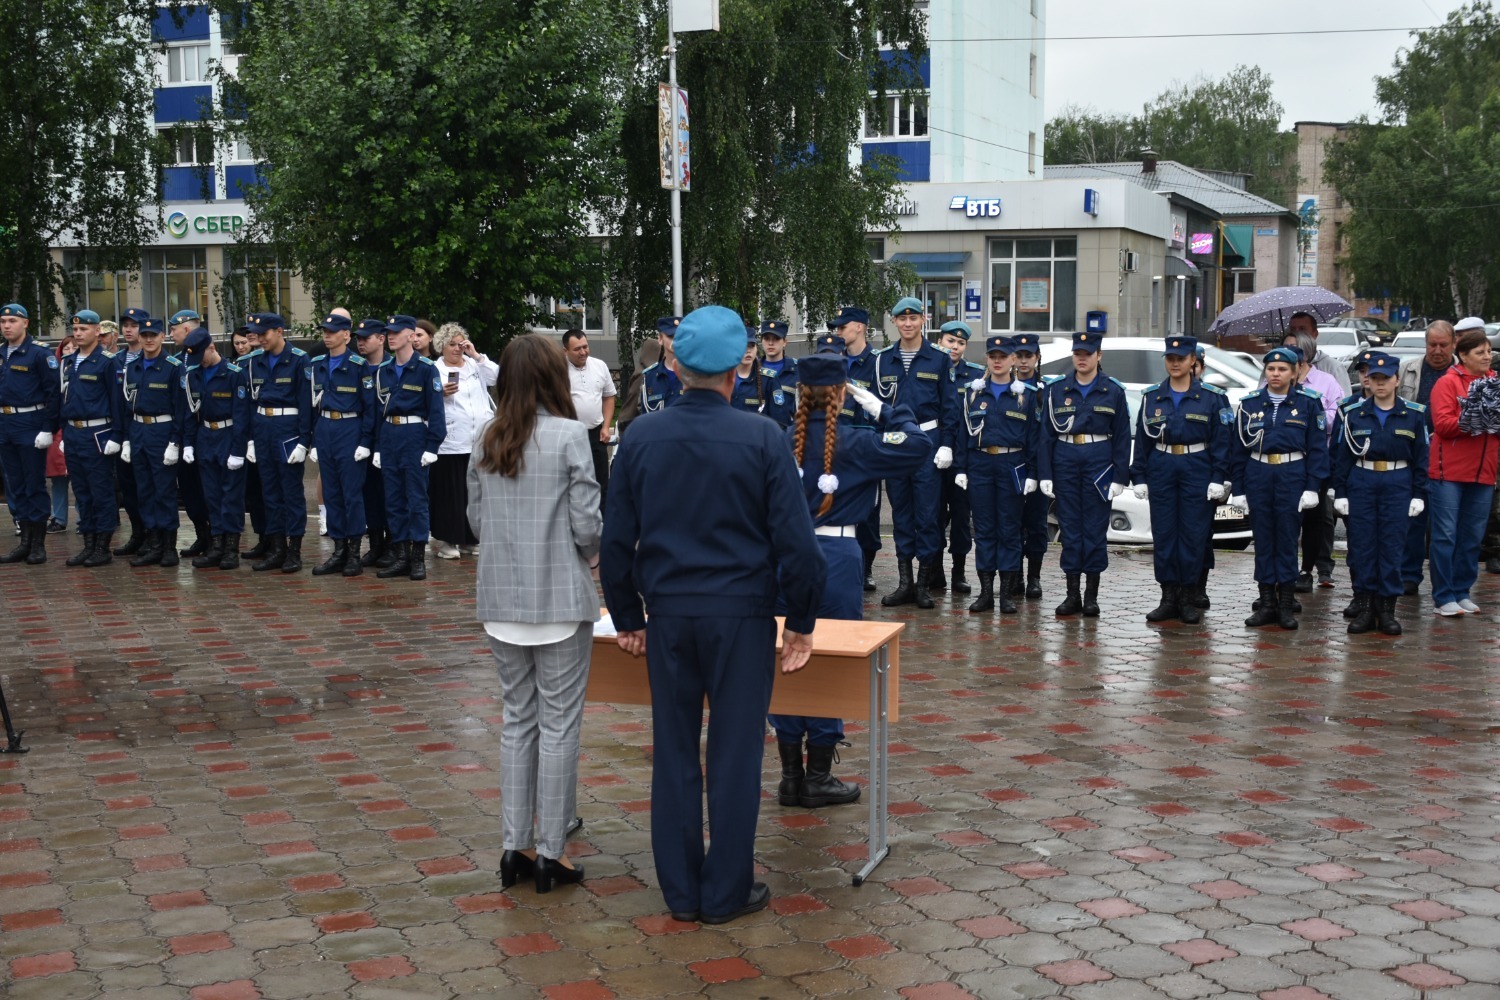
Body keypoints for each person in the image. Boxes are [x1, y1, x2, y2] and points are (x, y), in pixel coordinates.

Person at [600, 304, 825, 925]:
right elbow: (798, 545)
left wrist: (627, 614)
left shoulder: (640, 437)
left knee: (673, 751)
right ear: (735, 371)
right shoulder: (763, 436)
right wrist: (801, 621)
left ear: (675, 366)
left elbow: (615, 540)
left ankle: (681, 892)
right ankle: (725, 892)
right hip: (741, 617)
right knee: (734, 755)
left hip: (669, 615)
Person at [769, 347, 930, 809]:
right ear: (842, 393)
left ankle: (790, 776)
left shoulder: (778, 440)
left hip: (783, 555)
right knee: (829, 655)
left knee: (783, 654)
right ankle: (818, 775)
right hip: (835, 558)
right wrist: (883, 408)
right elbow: (917, 446)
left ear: (800, 393)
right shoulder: (857, 441)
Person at [468, 335, 600, 895]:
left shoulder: (485, 435)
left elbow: (476, 521)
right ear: (553, 378)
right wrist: (589, 554)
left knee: (517, 722)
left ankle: (515, 845)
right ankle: (551, 851)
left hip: (502, 598)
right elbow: (587, 524)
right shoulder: (570, 435)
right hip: (560, 598)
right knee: (559, 726)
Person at [1128, 336, 1232, 625]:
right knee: (1164, 534)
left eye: (1181, 359)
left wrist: (1219, 477)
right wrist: (1139, 475)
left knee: (1193, 534)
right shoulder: (1152, 396)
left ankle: (1187, 596)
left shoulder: (1212, 397)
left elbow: (1222, 441)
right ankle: (1168, 597)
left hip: (1196, 466)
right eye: (1170, 359)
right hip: (1162, 467)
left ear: (1192, 361)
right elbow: (1143, 440)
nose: (1175, 364)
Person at [1229, 346, 1331, 630]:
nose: (1276, 374)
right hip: (1259, 473)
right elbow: (1238, 450)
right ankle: (1266, 603)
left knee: (1287, 538)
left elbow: (1318, 449)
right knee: (1263, 539)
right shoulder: (1249, 404)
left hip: (1292, 473)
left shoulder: (1309, 403)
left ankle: (1286, 604)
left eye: (1282, 369)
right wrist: (1238, 488)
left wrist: (1313, 486)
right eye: (1271, 369)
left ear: (1294, 372)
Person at [1036, 332, 1132, 617]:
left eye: (1087, 354)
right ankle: (1072, 595)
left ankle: (1091, 596)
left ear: (1098, 356)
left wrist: (1119, 477)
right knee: (1070, 528)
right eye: (1077, 353)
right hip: (1065, 459)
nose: (1081, 358)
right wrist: (1045, 473)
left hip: (1098, 461)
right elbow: (1046, 435)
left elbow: (1122, 437)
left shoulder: (1113, 391)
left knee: (1094, 529)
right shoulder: (1057, 389)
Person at [1332, 352, 1428, 635]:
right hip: (1363, 481)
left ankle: (1386, 610)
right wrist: (1341, 492)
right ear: (1368, 381)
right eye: (1374, 378)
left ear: (1397, 380)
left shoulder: (1413, 414)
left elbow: (1421, 459)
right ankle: (1365, 608)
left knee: (1391, 547)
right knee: (1363, 547)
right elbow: (1343, 458)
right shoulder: (1354, 414)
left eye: (1386, 378)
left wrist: (1419, 494)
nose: (1380, 383)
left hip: (1398, 482)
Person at [875, 299, 956, 609]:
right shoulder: (883, 360)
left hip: (927, 440)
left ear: (924, 320)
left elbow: (950, 407)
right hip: (896, 442)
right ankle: (904, 583)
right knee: (901, 513)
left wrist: (946, 443)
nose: (907, 324)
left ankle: (923, 585)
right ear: (894, 322)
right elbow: (876, 408)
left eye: (913, 318)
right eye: (901, 319)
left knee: (928, 515)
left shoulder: (939, 358)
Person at [954, 336, 1040, 614]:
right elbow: (962, 434)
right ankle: (986, 593)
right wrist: (960, 468)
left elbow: (1034, 438)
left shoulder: (1026, 395)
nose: (998, 361)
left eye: (1003, 356)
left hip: (1012, 464)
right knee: (983, 529)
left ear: (1013, 359)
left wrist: (1033, 472)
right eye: (993, 356)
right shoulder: (973, 394)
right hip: (979, 464)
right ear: (987, 359)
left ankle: (1006, 594)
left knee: (1009, 529)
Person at [1425, 324, 1497, 616]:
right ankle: (1443, 596)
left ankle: (1462, 590)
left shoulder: (1495, 382)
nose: (1487, 356)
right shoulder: (1448, 382)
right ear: (1463, 355)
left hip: (1484, 471)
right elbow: (1442, 425)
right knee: (1445, 535)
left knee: (1472, 536)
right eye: (1480, 352)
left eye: (1489, 351)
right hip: (1449, 473)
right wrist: (1476, 418)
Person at [372, 315, 446, 581]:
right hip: (390, 435)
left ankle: (417, 558)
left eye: (396, 332)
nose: (390, 337)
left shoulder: (426, 369)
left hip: (414, 435)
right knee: (393, 500)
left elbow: (436, 411)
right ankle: (401, 555)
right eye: (388, 333)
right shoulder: (384, 370)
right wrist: (378, 447)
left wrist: (432, 445)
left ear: (411, 335)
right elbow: (378, 412)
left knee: (416, 499)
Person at [241, 313, 313, 573]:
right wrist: (251, 439)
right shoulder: (254, 362)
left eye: (264, 334)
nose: (260, 339)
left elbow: (306, 404)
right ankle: (277, 547)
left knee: (290, 493)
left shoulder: (299, 360)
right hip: (263, 429)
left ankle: (294, 550)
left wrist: (304, 442)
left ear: (279, 331)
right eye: (257, 334)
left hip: (287, 430)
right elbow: (250, 403)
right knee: (269, 493)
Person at [306, 313, 375, 576]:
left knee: (351, 494)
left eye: (332, 331)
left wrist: (365, 441)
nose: (327, 335)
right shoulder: (317, 364)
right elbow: (313, 405)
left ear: (346, 335)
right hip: (326, 428)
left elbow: (370, 408)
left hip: (350, 428)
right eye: (324, 331)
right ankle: (339, 550)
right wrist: (313, 440)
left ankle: (354, 552)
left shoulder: (358, 365)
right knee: (332, 492)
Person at [180, 328, 253, 570]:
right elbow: (190, 412)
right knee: (211, 495)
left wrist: (238, 450)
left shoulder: (233, 374)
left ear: (211, 347)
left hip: (228, 435)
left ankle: (231, 548)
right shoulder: (193, 375)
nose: (198, 360)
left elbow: (242, 415)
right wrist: (188, 444)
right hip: (205, 437)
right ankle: (217, 545)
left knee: (231, 496)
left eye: (200, 354)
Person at [117, 317, 186, 568]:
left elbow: (181, 409)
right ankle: (153, 544)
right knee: (144, 491)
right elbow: (127, 406)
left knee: (164, 492)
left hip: (162, 431)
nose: (148, 340)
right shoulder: (132, 367)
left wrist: (175, 442)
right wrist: (127, 440)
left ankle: (169, 547)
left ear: (162, 337)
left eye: (153, 335)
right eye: (144, 335)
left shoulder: (173, 367)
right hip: (138, 431)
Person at [58, 309, 123, 567]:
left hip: (97, 433)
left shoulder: (107, 361)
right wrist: (63, 431)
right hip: (73, 432)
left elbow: (117, 402)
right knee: (81, 492)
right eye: (75, 329)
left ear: (97, 331)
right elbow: (64, 397)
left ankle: (102, 547)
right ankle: (88, 544)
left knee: (101, 491)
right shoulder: (69, 361)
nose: (78, 333)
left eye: (84, 329)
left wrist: (117, 435)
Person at [0, 304, 61, 565]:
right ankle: (24, 542)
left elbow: (53, 393)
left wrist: (48, 428)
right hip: (5, 424)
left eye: (12, 321)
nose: (6, 326)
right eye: (3, 321)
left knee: (33, 484)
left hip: (30, 423)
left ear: (25, 323)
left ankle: (38, 545)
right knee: (15, 485)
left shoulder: (39, 353)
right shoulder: (1, 353)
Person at [431, 322, 498, 559]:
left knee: (475, 492)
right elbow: (423, 397)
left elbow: (497, 376)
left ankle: (471, 538)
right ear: (441, 346)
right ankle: (449, 540)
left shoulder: (475, 365)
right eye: (452, 344)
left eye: (461, 344)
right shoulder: (434, 369)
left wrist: (477, 355)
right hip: (451, 441)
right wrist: (439, 393)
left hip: (478, 439)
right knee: (452, 493)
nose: (457, 349)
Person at [1397, 320, 1455, 592]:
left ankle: (1446, 578)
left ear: (1453, 344)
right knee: (1413, 517)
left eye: (1443, 345)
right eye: (1432, 345)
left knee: (1445, 522)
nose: (1437, 350)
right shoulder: (1407, 369)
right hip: (1413, 453)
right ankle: (1409, 574)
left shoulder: (1461, 372)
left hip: (1451, 454)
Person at [1282, 333, 1342, 591]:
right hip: (1284, 463)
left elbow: (1336, 417)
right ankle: (1282, 573)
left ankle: (1309, 570)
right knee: (1284, 520)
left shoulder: (1324, 383)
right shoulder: (1274, 384)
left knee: (1316, 519)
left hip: (1316, 459)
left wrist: (1307, 417)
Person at [832, 310, 884, 592]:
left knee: (868, 509)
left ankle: (867, 568)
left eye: (843, 327)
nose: (838, 332)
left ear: (860, 327)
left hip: (865, 444)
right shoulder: (834, 360)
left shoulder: (877, 363)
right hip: (836, 443)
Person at [933, 320, 983, 596]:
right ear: (939, 341)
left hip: (964, 456)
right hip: (934, 453)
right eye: (950, 340)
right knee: (933, 514)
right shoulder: (930, 368)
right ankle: (934, 570)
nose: (955, 346)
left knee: (962, 516)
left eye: (961, 343)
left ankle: (959, 572)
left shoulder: (975, 376)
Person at [168, 310, 214, 560]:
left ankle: (216, 538)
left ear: (186, 329)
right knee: (189, 491)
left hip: (206, 433)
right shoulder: (177, 361)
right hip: (183, 433)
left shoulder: (207, 357)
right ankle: (201, 535)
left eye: (174, 329)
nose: (170, 334)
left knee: (209, 490)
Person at [354, 318, 395, 568]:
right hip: (361, 439)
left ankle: (392, 544)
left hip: (388, 439)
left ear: (381, 339)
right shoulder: (356, 368)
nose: (361, 343)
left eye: (365, 338)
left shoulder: (393, 367)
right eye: (358, 338)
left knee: (389, 493)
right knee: (368, 492)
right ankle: (376, 544)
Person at [1010, 333, 1049, 600]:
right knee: (1012, 521)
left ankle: (1034, 576)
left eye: (1029, 356)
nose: (1024, 361)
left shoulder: (1046, 390)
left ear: (1037, 358)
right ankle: (1016, 576)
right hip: (1011, 463)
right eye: (1020, 356)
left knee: (1036, 522)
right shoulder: (1004, 387)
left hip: (1038, 464)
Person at [110, 308, 149, 556]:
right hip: (122, 429)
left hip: (144, 429)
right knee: (127, 487)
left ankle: (152, 536)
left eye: (134, 325)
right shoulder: (115, 359)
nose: (128, 329)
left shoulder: (151, 357)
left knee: (147, 487)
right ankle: (137, 533)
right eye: (125, 325)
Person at [563, 329, 616, 513]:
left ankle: (603, 521)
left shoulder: (599, 366)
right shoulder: (557, 370)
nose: (583, 352)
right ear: (565, 351)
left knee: (601, 482)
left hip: (596, 434)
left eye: (585, 347)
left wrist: (606, 426)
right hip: (569, 436)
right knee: (573, 481)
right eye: (577, 349)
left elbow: (609, 397)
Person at [1286, 311, 1352, 396]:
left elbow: (1345, 400)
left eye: (1302, 329)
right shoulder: (1277, 366)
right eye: (1293, 329)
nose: (1297, 333)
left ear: (1315, 334)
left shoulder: (1332, 367)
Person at [46, 338, 73, 534]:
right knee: (58, 478)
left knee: (81, 478)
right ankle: (59, 518)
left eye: (74, 348)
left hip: (78, 427)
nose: (70, 351)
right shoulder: (54, 372)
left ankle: (85, 518)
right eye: (66, 348)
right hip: (58, 431)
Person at [635, 316, 683, 419]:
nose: (675, 341)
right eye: (670, 336)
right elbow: (645, 415)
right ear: (660, 339)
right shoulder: (649, 377)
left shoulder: (694, 376)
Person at [757, 320, 798, 428]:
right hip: (759, 432)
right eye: (767, 339)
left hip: (787, 432)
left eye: (776, 338)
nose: (770, 343)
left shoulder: (796, 370)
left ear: (785, 342)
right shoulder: (754, 370)